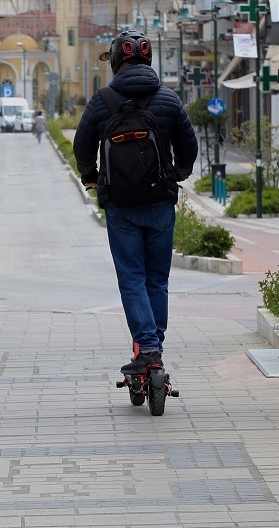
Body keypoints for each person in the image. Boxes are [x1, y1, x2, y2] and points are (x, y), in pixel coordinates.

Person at [73, 30, 198, 375]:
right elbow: (189, 147)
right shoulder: (169, 99)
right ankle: (154, 345)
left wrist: (91, 176)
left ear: (115, 62)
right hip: (160, 201)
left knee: (132, 278)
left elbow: (82, 146)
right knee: (157, 279)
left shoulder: (102, 101)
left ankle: (148, 346)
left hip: (121, 206)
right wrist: (178, 173)